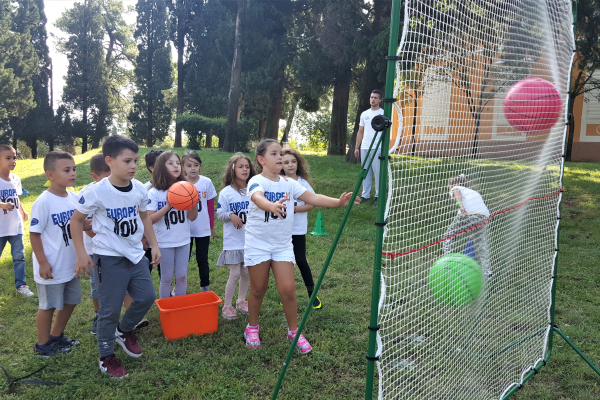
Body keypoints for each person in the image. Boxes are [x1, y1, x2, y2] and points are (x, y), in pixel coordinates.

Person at [243, 139, 359, 352]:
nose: (280, 157)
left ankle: (293, 331)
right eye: (274, 154)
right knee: (258, 289)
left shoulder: (289, 183)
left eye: (281, 153)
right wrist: (271, 205)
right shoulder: (256, 181)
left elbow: (312, 197)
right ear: (261, 160)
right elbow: (258, 198)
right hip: (257, 244)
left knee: (288, 290)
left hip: (282, 245)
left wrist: (338, 202)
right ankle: (252, 327)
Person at [71, 135, 160, 379]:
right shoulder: (96, 192)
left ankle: (123, 331)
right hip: (107, 258)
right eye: (127, 161)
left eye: (135, 161)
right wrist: (81, 253)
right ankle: (106, 356)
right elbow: (76, 221)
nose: (133, 166)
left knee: (147, 297)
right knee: (109, 310)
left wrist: (154, 245)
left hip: (135, 255)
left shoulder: (140, 189)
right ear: (109, 161)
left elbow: (144, 218)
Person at [30, 151, 91, 357]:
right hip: (52, 266)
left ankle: (56, 336)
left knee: (71, 300)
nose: (73, 173)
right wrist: (42, 262)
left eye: (74, 169)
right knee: (48, 306)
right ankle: (42, 344)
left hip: (70, 263)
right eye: (67, 170)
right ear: (50, 175)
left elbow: (82, 224)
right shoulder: (44, 201)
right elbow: (34, 235)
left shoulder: (74, 197)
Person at [80, 154, 130, 335]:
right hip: (95, 250)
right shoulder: (88, 193)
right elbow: (85, 225)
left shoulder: (119, 189)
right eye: (106, 176)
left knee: (121, 281)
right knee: (98, 287)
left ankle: (129, 318)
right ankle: (98, 315)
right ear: (94, 176)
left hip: (118, 248)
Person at [148, 151, 198, 299]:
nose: (176, 166)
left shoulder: (186, 188)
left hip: (183, 240)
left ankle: (179, 307)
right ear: (161, 167)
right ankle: (166, 310)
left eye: (177, 163)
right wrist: (168, 206)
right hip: (164, 242)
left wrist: (193, 201)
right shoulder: (155, 192)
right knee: (167, 279)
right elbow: (149, 219)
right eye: (170, 163)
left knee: (182, 276)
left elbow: (192, 217)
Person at [280, 148, 322, 309]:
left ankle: (312, 294)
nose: (290, 165)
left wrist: (293, 209)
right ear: (281, 165)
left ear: (298, 163)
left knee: (301, 260)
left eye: (293, 161)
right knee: (284, 263)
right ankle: (287, 295)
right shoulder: (278, 182)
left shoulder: (302, 184)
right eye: (286, 162)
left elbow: (310, 205)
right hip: (280, 230)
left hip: (297, 230)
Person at [217, 153, 255, 320]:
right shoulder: (226, 193)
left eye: (247, 166)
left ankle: (241, 301)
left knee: (246, 272)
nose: (245, 169)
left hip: (250, 241)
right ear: (233, 169)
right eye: (241, 166)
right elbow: (220, 214)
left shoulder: (253, 190)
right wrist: (230, 215)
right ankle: (227, 306)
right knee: (235, 273)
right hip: (233, 241)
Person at [0, 144, 33, 297]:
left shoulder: (16, 179)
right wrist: (1, 205)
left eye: (14, 158)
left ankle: (21, 286)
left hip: (15, 226)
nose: (13, 161)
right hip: (1, 228)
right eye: (8, 158)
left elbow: (16, 197)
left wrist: (22, 210)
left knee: (19, 257)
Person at [443, 174, 492, 277]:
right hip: (484, 217)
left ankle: (447, 263)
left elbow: (457, 192)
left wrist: (460, 205)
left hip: (467, 214)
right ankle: (487, 271)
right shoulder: (474, 192)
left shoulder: (456, 187)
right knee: (480, 243)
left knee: (448, 236)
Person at [183, 151, 217, 292]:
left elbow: (210, 206)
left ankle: (205, 287)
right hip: (185, 229)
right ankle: (180, 288)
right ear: (183, 167)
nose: (193, 168)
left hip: (202, 228)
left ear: (200, 166)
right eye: (189, 165)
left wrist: (211, 226)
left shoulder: (206, 182)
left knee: (202, 259)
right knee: (183, 261)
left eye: (196, 165)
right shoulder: (180, 184)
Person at [354, 89, 384, 202]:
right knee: (365, 171)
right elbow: (360, 131)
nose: (373, 99)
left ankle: (378, 196)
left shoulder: (383, 113)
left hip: (377, 147)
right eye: (371, 97)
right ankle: (365, 195)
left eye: (376, 98)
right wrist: (357, 147)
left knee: (378, 172)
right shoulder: (364, 114)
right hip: (365, 147)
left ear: (380, 100)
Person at [142, 149, 164, 275]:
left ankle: (167, 294)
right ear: (151, 167)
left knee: (165, 273)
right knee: (146, 271)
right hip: (149, 239)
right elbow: (141, 217)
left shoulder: (174, 188)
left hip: (163, 239)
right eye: (161, 163)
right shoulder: (143, 189)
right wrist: (144, 237)